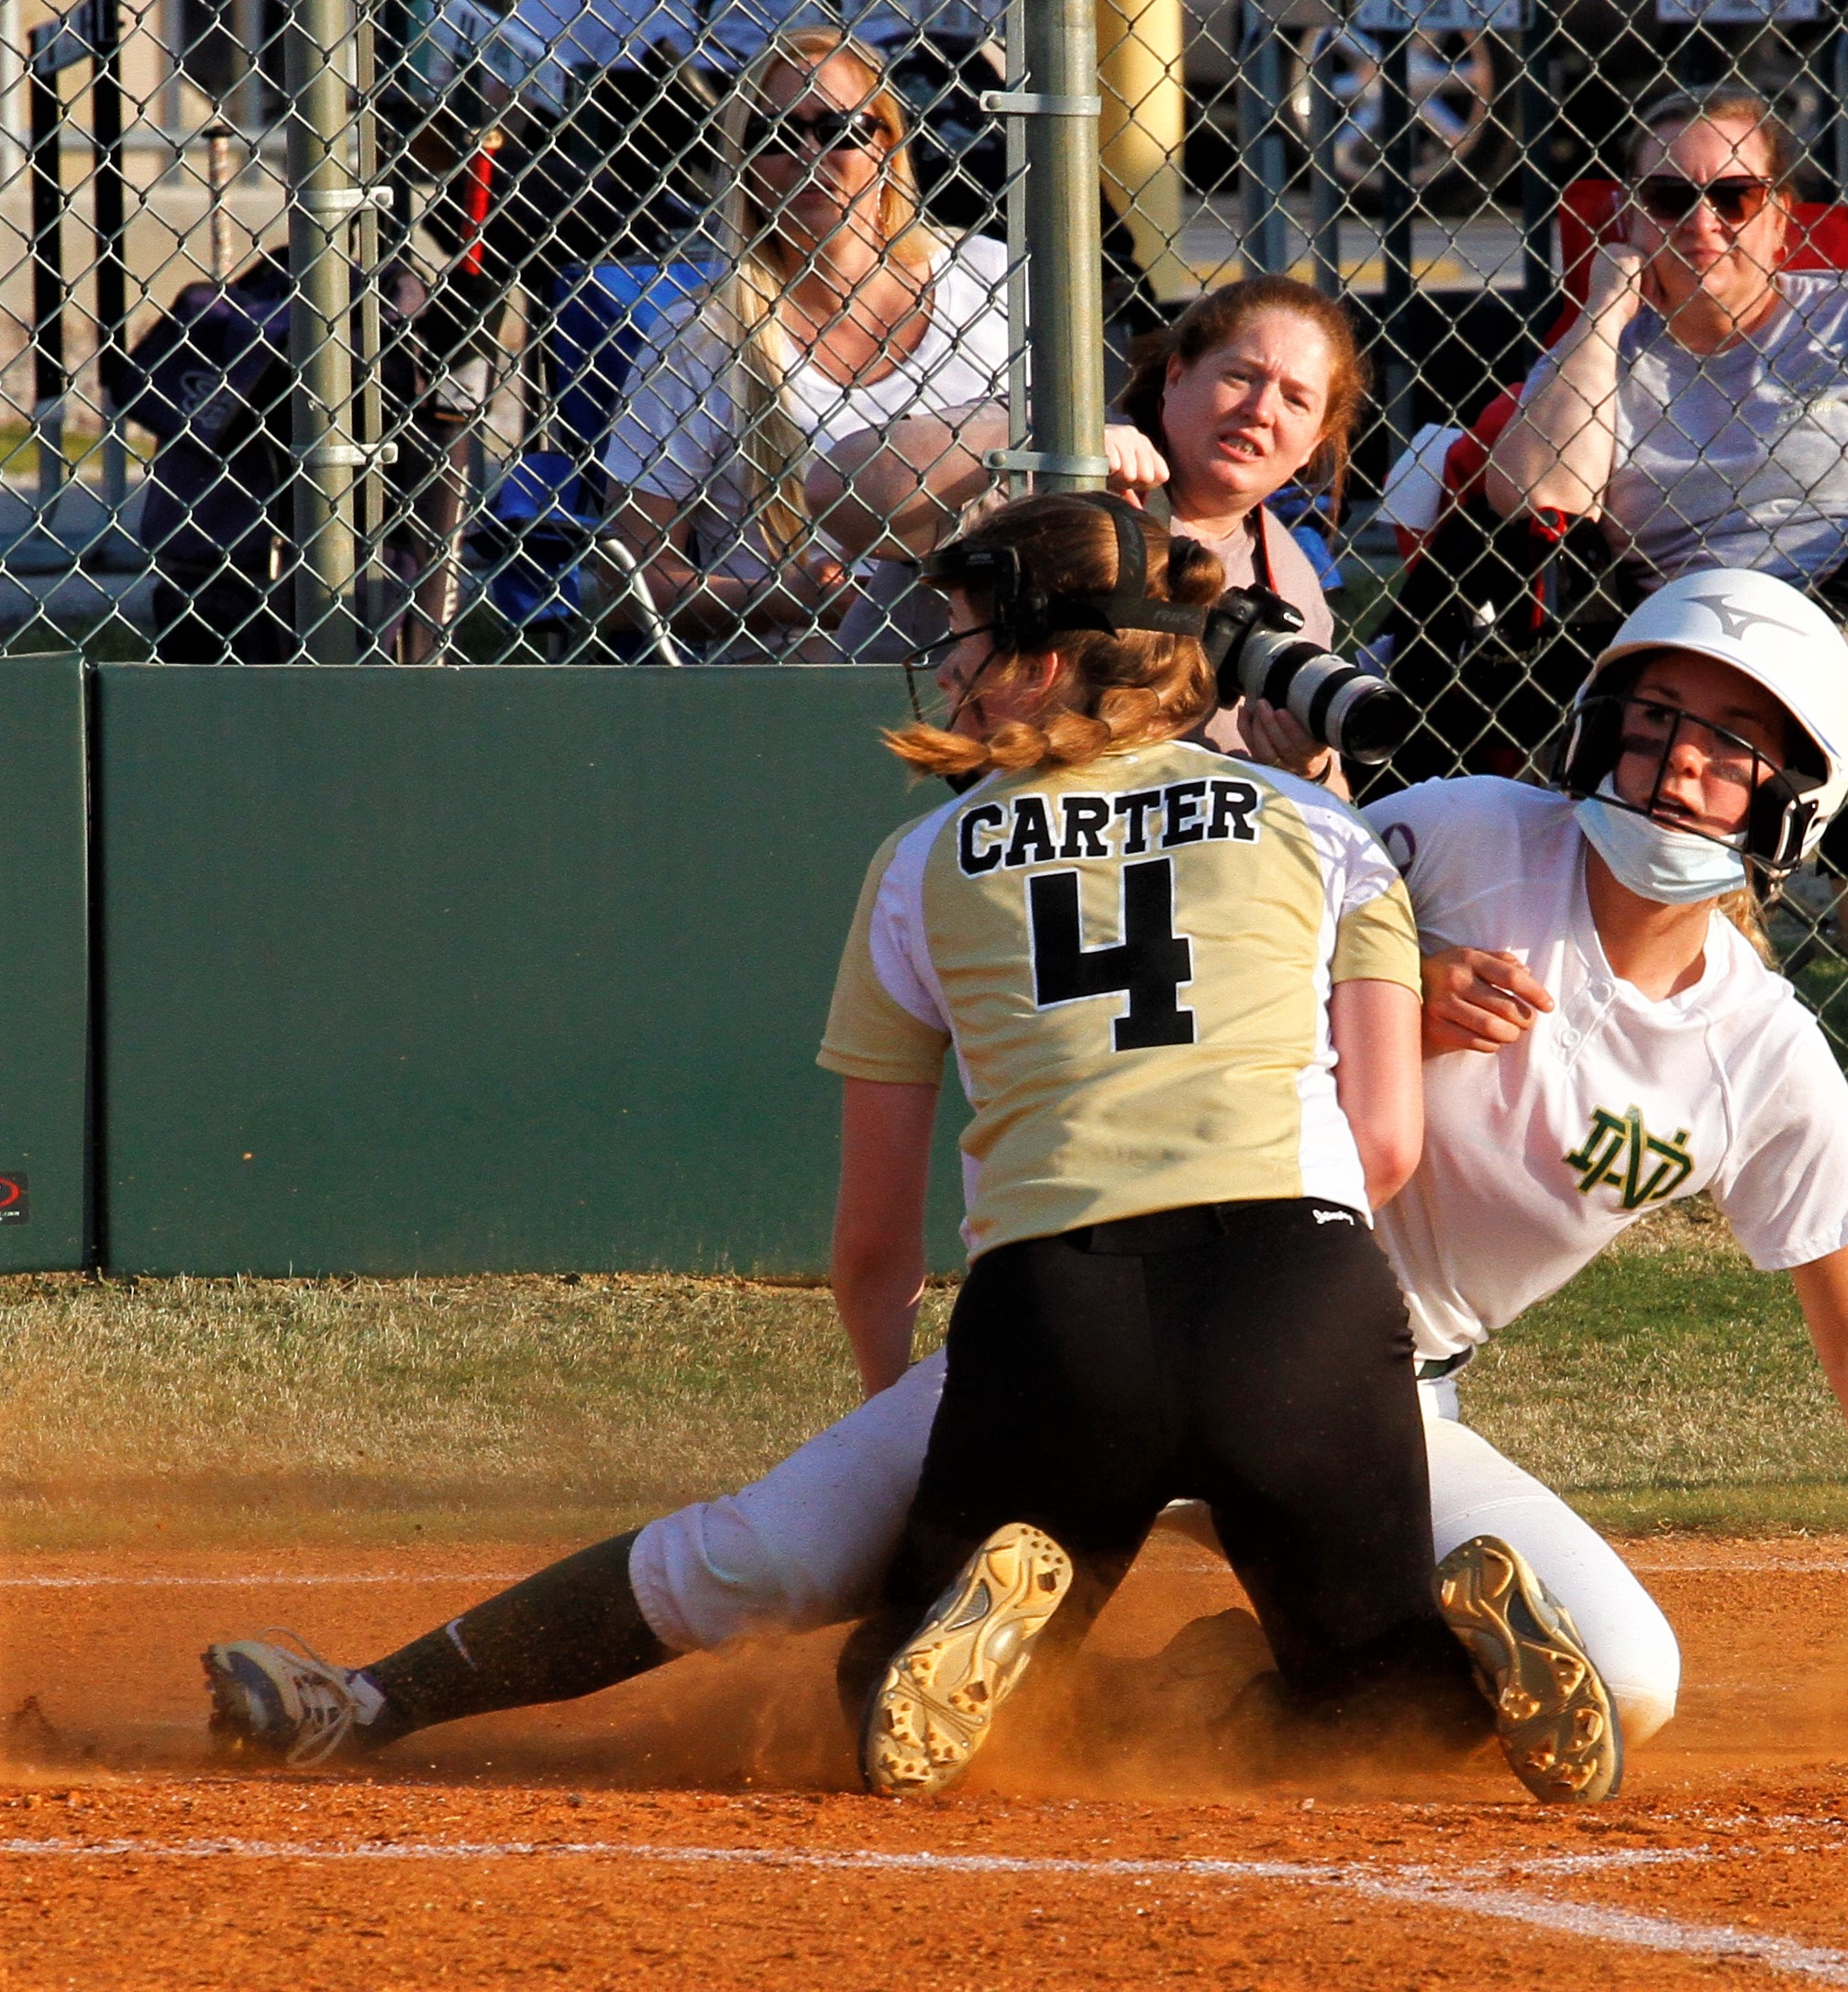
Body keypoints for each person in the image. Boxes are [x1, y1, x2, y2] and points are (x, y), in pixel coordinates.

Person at [202, 492, 1628, 1809]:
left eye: (964, 639)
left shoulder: (925, 862)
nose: (946, 668)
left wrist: (919, 1413)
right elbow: (1379, 1142)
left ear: (1050, 658)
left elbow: (873, 1237)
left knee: (882, 1694)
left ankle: (890, 1636)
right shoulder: (1323, 829)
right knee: (1363, 1698)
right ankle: (1440, 1656)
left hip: (1057, 1304)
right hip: (1298, 1289)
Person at [1363, 567, 1848, 1738]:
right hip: (1186, 1294)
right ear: (1600, 731)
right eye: (1654, 720)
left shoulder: (1760, 1052)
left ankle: (1257, 1665)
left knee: (1623, 1684)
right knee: (914, 1526)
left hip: (1385, 1399)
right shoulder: (1462, 837)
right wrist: (1380, 988)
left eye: (1729, 745)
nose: (1676, 765)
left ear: (1792, 801)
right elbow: (1214, 969)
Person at [1482, 83, 1848, 1161]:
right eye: (1668, 197)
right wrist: (1606, 309)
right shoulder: (1608, 358)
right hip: (1716, 651)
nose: (1701, 223)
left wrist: (1828, 634)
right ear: (1631, 218)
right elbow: (1538, 497)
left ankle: (1809, 768)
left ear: (1781, 211)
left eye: (1732, 195)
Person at [805, 275, 1363, 779]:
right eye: (1240, 376)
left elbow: (1339, 807)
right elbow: (838, 495)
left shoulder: (1287, 577)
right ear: (1176, 375)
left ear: (1314, 444)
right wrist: (1052, 448)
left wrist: (1307, 771)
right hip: (897, 793)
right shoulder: (1052, 457)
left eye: (1296, 400)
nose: (1261, 410)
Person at [599, 30, 1010, 647]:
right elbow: (626, 581)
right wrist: (784, 598)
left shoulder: (990, 280)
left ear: (888, 147)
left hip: (989, 637)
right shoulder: (700, 338)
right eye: (774, 134)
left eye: (839, 127)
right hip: (799, 663)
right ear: (743, 165)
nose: (808, 153)